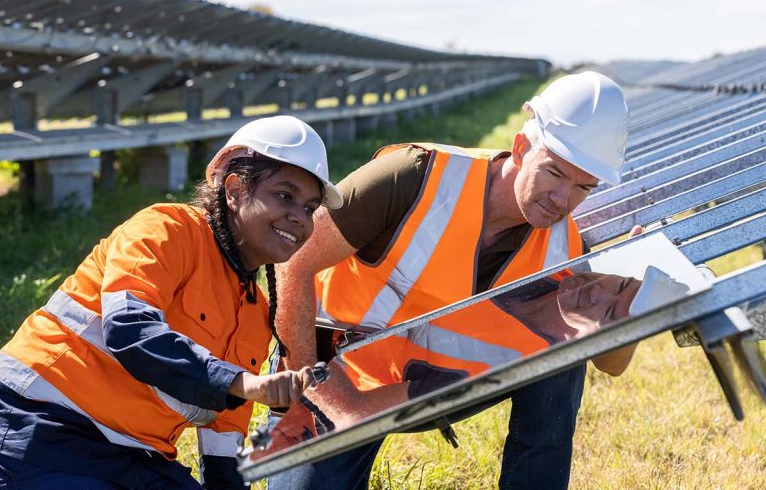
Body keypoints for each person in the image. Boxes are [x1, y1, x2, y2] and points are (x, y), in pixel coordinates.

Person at [270, 72, 636, 489]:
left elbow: (612, 363)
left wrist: (636, 289)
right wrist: (324, 392)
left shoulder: (564, 247)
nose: (561, 200)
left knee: (563, 353)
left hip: (431, 383)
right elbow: (293, 265)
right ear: (520, 148)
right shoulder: (411, 177)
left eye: (583, 187)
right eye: (553, 173)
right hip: (335, 372)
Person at [0, 115, 343, 489]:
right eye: (284, 196)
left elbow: (224, 444)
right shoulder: (165, 230)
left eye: (309, 208)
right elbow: (130, 330)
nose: (299, 218)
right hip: (40, 428)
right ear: (235, 190)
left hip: (137, 456)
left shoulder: (255, 312)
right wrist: (243, 382)